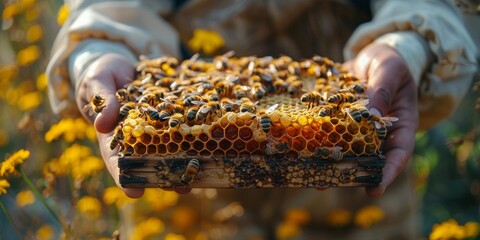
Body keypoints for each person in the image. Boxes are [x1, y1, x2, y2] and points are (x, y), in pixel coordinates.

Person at [46, 0, 478, 239]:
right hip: (189, 213)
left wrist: (408, 45)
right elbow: (106, 10)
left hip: (359, 214)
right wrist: (99, 53)